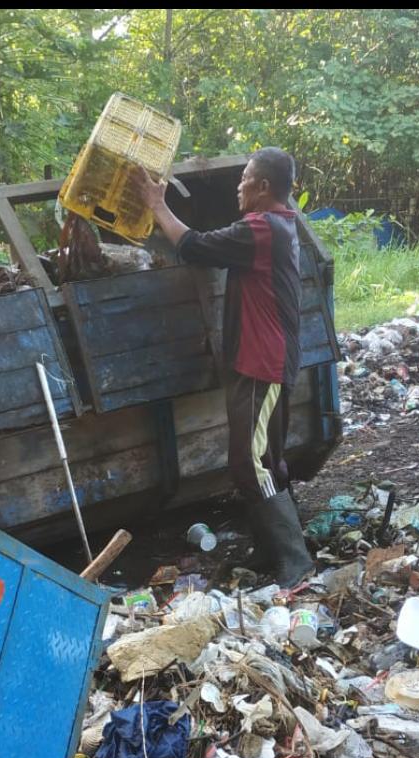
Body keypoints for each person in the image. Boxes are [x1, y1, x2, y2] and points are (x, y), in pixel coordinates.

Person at [133, 147, 314, 588]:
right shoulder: (279, 226)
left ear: (264, 187)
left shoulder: (260, 228)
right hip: (263, 358)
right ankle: (271, 549)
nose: (239, 184)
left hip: (262, 363)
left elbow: (194, 246)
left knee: (250, 462)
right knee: (264, 457)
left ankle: (296, 560)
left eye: (246, 177)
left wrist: (157, 204)